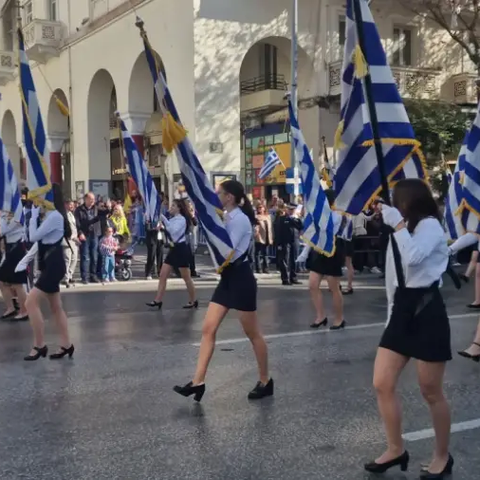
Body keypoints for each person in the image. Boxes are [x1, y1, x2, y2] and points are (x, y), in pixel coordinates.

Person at [365, 179, 453, 478]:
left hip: (427, 309)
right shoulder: (401, 232)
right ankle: (395, 448)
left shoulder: (429, 226)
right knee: (382, 382)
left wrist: (398, 227)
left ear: (409, 201)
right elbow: (394, 277)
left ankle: (442, 455)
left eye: (396, 200)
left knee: (430, 390)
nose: (393, 205)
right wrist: (391, 316)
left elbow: (414, 258)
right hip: (402, 308)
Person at [173, 180, 272, 401]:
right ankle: (198, 382)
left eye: (220, 193)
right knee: (208, 328)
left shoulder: (240, 220)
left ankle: (265, 380)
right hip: (227, 278)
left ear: (229, 197)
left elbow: (228, 250)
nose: (217, 196)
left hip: (240, 277)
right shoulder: (227, 217)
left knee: (252, 333)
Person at [23, 184, 74, 362]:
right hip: (50, 263)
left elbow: (33, 237)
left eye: (43, 195)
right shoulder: (51, 216)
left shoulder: (54, 217)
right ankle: (67, 345)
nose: (39, 198)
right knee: (56, 306)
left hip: (54, 264)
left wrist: (33, 217)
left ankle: (39, 345)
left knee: (30, 302)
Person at [299, 190, 345, 330]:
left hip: (332, 249)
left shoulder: (337, 215)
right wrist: (305, 252)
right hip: (319, 250)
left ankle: (339, 318)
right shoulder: (318, 215)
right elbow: (313, 234)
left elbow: (327, 228)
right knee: (313, 285)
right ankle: (321, 316)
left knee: (333, 287)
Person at [146, 199, 197, 310]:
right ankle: (158, 300)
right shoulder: (173, 219)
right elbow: (169, 230)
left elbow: (173, 231)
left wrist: (162, 218)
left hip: (181, 249)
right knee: (163, 275)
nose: (171, 207)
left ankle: (193, 300)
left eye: (173, 206)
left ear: (179, 208)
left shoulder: (182, 219)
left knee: (186, 277)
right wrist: (162, 226)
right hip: (173, 249)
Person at [0, 213, 28, 321]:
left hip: (17, 245)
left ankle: (24, 311)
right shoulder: (5, 211)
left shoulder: (14, 210)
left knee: (17, 282)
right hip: (9, 246)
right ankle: (11, 308)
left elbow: (3, 229)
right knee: (2, 280)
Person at [75, 192, 102, 284]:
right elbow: (77, 224)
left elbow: (104, 213)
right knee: (85, 256)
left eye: (93, 199)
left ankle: (93, 275)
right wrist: (80, 233)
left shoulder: (96, 208)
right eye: (91, 199)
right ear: (86, 199)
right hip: (85, 235)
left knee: (94, 256)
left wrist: (109, 208)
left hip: (94, 234)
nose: (92, 201)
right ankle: (85, 277)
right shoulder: (79, 210)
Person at [274, 203, 302, 285]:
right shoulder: (282, 218)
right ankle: (285, 278)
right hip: (285, 242)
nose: (291, 211)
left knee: (294, 260)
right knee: (285, 260)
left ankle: (293, 277)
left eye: (293, 210)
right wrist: (278, 243)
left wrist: (296, 218)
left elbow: (300, 226)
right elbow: (278, 231)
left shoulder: (296, 219)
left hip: (294, 241)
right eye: (290, 209)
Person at [63, 199, 79, 288]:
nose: (71, 206)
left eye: (72, 205)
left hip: (74, 239)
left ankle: (70, 275)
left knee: (74, 258)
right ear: (65, 205)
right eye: (70, 205)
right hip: (67, 239)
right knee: (67, 259)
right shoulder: (64, 215)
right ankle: (66, 279)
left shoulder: (72, 214)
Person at [254, 204, 273, 274]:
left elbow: (270, 228)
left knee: (266, 253)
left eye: (261, 207)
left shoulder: (268, 217)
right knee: (258, 253)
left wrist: (271, 237)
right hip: (259, 237)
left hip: (267, 237)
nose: (260, 209)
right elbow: (256, 227)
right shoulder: (256, 217)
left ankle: (266, 268)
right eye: (259, 208)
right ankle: (258, 268)